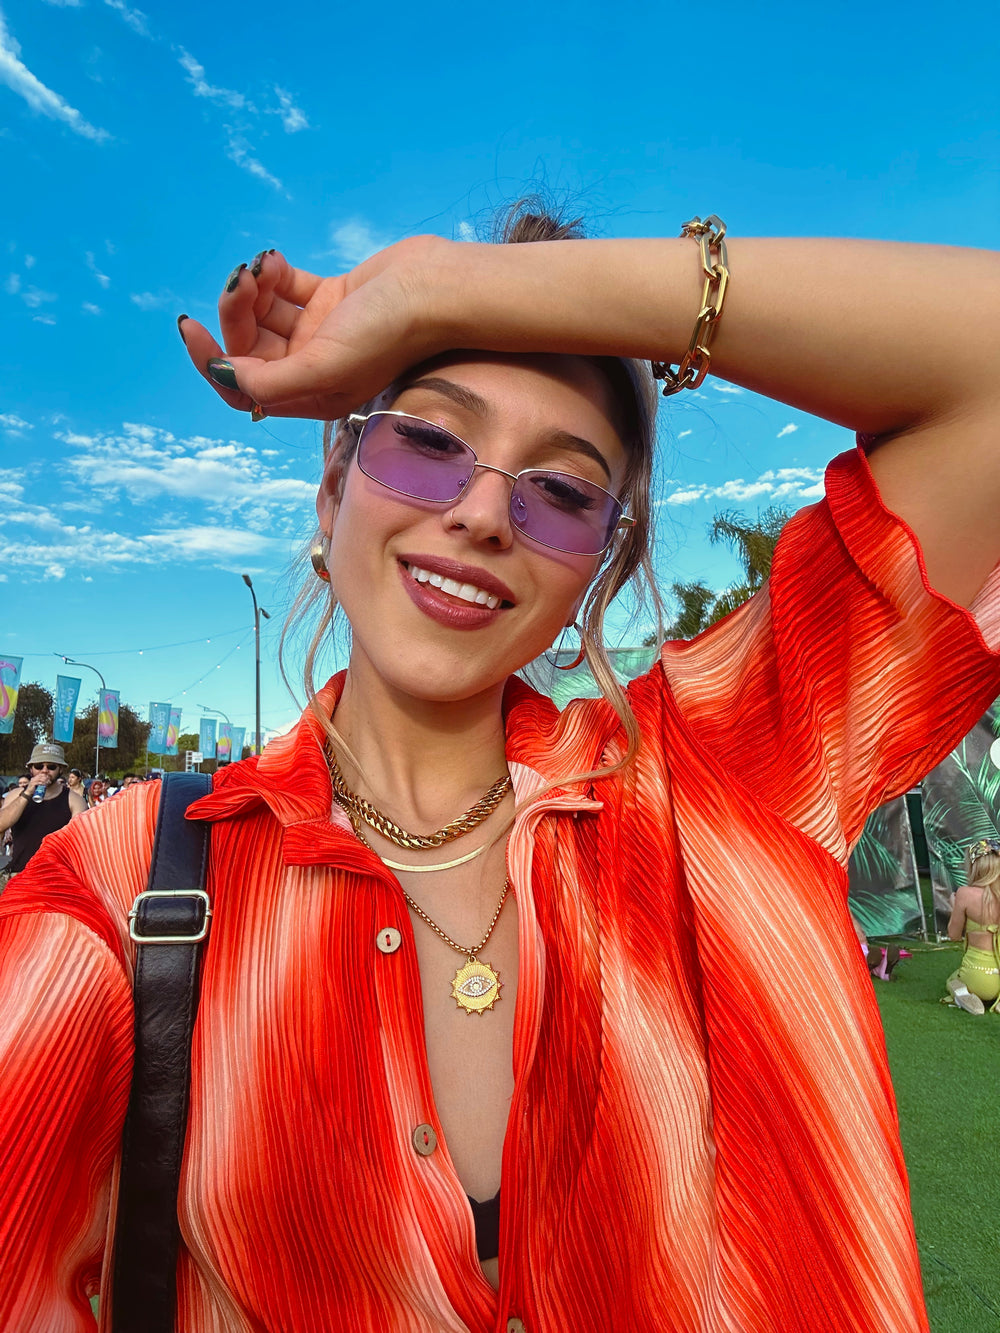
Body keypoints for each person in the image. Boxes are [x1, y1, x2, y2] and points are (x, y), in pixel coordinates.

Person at [2, 207, 1000, 1333]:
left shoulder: (719, 782)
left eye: (563, 490)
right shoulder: (119, 883)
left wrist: (442, 286)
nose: (481, 512)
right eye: (426, 441)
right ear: (333, 492)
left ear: (603, 568)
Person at [0, 742, 86, 890]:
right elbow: (2, 823)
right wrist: (27, 792)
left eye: (51, 767)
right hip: (20, 875)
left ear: (61, 769)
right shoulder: (15, 795)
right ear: (31, 769)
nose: (44, 771)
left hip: (57, 878)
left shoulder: (74, 800)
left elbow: (79, 841)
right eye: (39, 766)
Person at [943, 839, 1000, 1014]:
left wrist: (954, 907)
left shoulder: (965, 894)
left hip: (975, 975)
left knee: (953, 979)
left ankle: (966, 998)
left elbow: (953, 935)